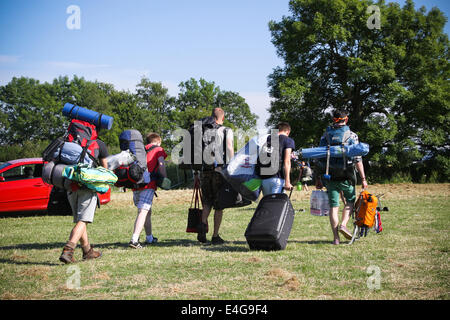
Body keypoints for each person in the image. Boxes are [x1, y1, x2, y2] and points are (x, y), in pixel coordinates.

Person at [315, 110, 368, 245]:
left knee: (334, 207)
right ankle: (343, 224)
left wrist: (318, 178)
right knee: (349, 202)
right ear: (346, 119)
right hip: (347, 176)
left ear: (334, 120)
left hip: (330, 177)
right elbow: (357, 159)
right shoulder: (352, 135)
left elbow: (319, 158)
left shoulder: (325, 135)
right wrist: (363, 178)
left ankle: (336, 238)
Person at [59, 138, 109, 264]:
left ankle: (87, 251)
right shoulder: (98, 143)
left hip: (70, 185)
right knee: (83, 220)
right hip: (87, 187)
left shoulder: (69, 141)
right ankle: (68, 250)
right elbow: (105, 168)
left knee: (80, 219)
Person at [197, 108, 234, 245]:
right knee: (219, 205)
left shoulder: (203, 130)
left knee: (207, 202)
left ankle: (202, 225)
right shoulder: (226, 130)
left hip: (205, 169)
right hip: (219, 170)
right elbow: (229, 147)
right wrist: (232, 164)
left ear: (211, 117)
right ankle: (215, 235)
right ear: (222, 118)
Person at [129, 133, 168, 249]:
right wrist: (165, 178)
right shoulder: (159, 149)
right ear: (158, 141)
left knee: (146, 211)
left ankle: (149, 237)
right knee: (143, 211)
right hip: (148, 184)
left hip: (136, 184)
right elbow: (161, 165)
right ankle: (134, 239)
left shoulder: (139, 150)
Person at [259, 122, 295, 196]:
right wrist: (287, 181)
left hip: (264, 179)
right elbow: (287, 161)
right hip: (278, 178)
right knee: (275, 205)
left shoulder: (268, 139)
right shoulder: (288, 140)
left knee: (268, 203)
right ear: (288, 132)